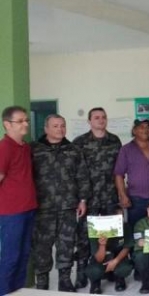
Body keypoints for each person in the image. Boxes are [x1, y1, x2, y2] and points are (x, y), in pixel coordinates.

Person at [31, 114, 90, 291]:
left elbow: (82, 176)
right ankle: (42, 282)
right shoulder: (34, 150)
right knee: (42, 247)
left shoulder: (73, 150)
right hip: (43, 207)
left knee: (66, 244)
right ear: (46, 128)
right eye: (55, 126)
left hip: (68, 206)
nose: (60, 129)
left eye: (63, 125)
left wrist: (83, 200)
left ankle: (65, 280)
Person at [72, 107, 122, 289]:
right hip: (89, 199)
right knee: (84, 238)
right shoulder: (79, 142)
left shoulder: (114, 140)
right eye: (97, 117)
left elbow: (119, 171)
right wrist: (79, 198)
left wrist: (119, 198)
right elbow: (74, 173)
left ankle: (111, 270)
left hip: (109, 197)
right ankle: (82, 274)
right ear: (89, 121)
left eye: (103, 117)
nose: (101, 120)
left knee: (111, 237)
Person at [0, 106, 38, 295]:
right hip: (11, 213)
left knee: (24, 256)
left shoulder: (24, 147)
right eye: (20, 121)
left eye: (26, 120)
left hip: (29, 209)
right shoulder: (4, 147)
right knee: (10, 257)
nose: (25, 124)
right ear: (7, 124)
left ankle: (18, 291)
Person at [114, 119, 149, 229]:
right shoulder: (126, 150)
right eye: (141, 127)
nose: (145, 130)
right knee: (136, 230)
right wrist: (123, 195)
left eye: (147, 127)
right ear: (134, 131)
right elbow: (119, 174)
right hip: (135, 199)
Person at [84, 204, 133, 294]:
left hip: (117, 257)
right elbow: (98, 258)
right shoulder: (96, 230)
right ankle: (95, 283)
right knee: (94, 271)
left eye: (121, 217)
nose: (120, 220)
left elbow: (127, 248)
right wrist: (102, 245)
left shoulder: (125, 227)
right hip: (101, 259)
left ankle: (119, 278)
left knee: (125, 268)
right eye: (117, 218)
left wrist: (115, 261)